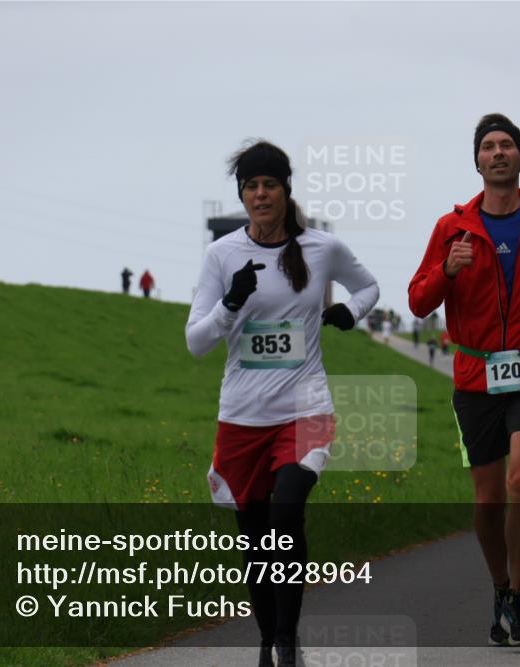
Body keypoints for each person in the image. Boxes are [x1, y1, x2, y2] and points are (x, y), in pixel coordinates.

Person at [185, 140, 379, 667]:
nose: (260, 193)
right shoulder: (221, 255)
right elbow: (196, 342)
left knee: (286, 511)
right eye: (251, 186)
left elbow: (369, 287)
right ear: (242, 194)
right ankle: (268, 641)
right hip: (242, 417)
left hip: (305, 406)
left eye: (269, 184)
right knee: (254, 542)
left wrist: (348, 313)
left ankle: (289, 643)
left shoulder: (322, 248)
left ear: (286, 189)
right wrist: (231, 304)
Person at [408, 113, 520, 645]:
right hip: (474, 374)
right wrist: (449, 270)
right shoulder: (451, 229)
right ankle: (501, 587)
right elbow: (418, 301)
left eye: (507, 144)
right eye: (489, 146)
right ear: (477, 161)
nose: (498, 152)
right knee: (487, 501)